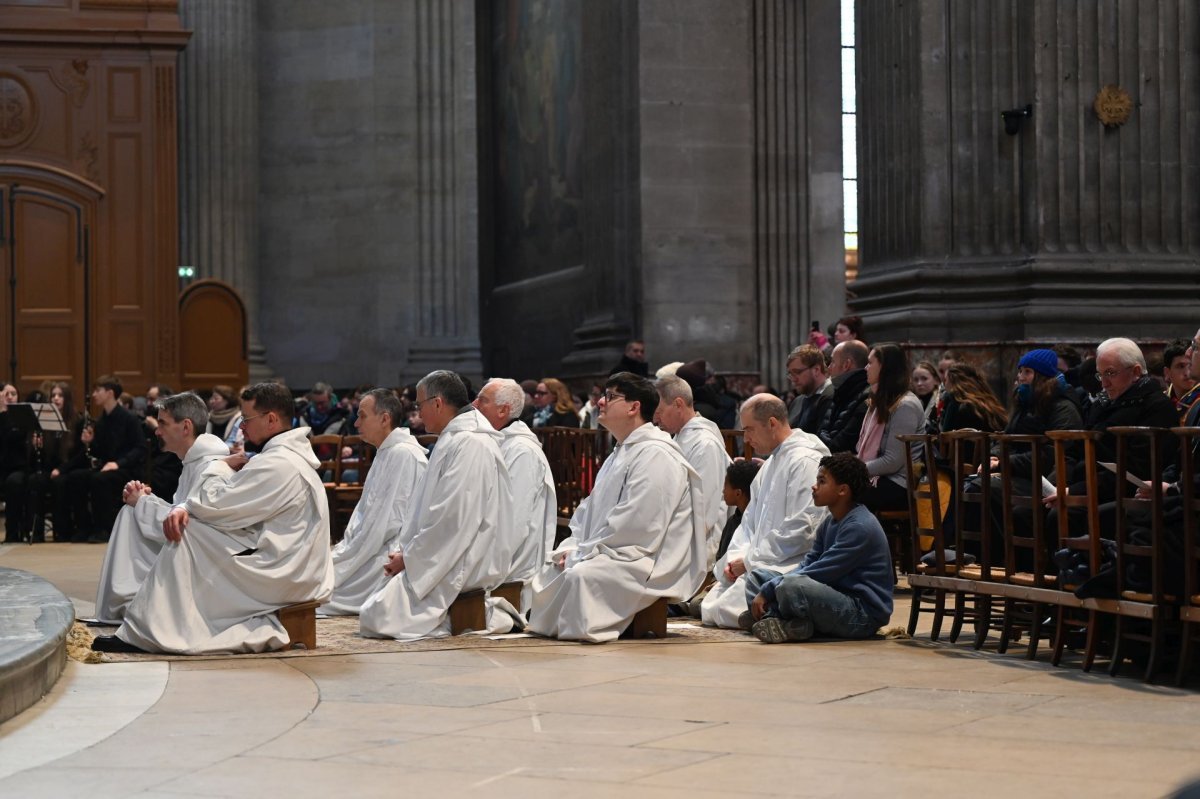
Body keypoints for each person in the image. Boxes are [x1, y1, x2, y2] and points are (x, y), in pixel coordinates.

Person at [94, 383, 335, 654]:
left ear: (271, 419)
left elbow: (211, 504)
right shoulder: (282, 458)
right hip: (287, 563)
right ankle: (160, 617)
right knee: (187, 524)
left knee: (186, 530)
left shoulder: (278, 464)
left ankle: (157, 629)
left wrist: (218, 467)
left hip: (283, 572)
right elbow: (222, 509)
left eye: (246, 419)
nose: (241, 427)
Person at [529, 372, 706, 642]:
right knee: (551, 566)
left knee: (580, 576)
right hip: (613, 549)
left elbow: (640, 523)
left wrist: (584, 553)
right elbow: (589, 510)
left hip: (643, 558)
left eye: (610, 397)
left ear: (634, 407)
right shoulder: (622, 451)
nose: (601, 402)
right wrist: (576, 546)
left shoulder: (656, 453)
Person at [359, 371, 514, 640]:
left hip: (462, 555)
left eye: (420, 405)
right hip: (442, 550)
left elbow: (453, 517)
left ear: (438, 403)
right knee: (375, 607)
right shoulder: (455, 437)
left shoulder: (470, 443)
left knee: (380, 616)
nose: (417, 414)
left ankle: (477, 613)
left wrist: (410, 558)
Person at [93, 393, 230, 623]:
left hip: (207, 569)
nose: (157, 430)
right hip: (190, 551)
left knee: (132, 511)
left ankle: (130, 600)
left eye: (163, 423)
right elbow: (183, 510)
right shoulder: (193, 462)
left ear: (185, 427)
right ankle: (127, 600)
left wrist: (144, 504)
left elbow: (194, 531)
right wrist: (149, 501)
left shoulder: (211, 469)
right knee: (130, 511)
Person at [701, 394, 830, 629]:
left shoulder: (806, 461)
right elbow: (749, 524)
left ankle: (786, 619)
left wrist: (750, 561)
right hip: (761, 559)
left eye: (749, 430)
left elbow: (805, 528)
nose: (747, 439)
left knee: (724, 608)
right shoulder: (770, 465)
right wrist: (736, 560)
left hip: (793, 561)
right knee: (711, 608)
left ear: (772, 423)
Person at [743, 453, 894, 643]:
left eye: (822, 481)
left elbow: (820, 572)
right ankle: (786, 624)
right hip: (834, 597)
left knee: (791, 586)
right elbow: (809, 563)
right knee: (756, 577)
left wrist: (770, 590)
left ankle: (778, 620)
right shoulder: (830, 521)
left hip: (861, 614)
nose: (814, 486)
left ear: (842, 490)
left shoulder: (860, 527)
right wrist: (770, 585)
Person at [321, 389, 428, 616]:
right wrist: (347, 547)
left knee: (321, 595)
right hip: (370, 541)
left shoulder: (404, 454)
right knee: (317, 577)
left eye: (362, 416)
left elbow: (389, 521)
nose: (356, 423)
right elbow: (368, 512)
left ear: (384, 419)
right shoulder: (386, 451)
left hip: (388, 549)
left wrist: (348, 553)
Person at [473, 378, 556, 629]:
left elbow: (515, 521)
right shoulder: (497, 442)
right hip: (493, 546)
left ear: (503, 411)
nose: (473, 405)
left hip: (513, 559)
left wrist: (480, 558)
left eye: (482, 400)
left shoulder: (521, 450)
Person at [655, 375, 732, 564]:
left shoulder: (705, 444)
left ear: (678, 404)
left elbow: (704, 509)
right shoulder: (678, 438)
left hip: (699, 542)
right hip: (676, 530)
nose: (655, 419)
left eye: (659, 411)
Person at [64, 375, 146, 543]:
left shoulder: (129, 418)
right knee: (75, 477)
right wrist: (89, 442)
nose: (94, 394)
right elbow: (100, 452)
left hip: (127, 469)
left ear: (109, 393)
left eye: (97, 390)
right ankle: (84, 527)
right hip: (107, 468)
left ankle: (104, 528)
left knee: (99, 480)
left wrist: (118, 463)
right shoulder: (101, 420)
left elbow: (140, 448)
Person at [857, 344, 925, 514]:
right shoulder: (880, 401)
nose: (866, 368)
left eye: (870, 363)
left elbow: (893, 461)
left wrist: (854, 469)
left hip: (898, 483)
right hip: (879, 477)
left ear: (884, 368)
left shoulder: (905, 405)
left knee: (840, 492)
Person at [818, 340, 871, 454]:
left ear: (846, 364)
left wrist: (822, 444)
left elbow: (844, 443)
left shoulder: (867, 397)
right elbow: (822, 430)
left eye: (832, 362)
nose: (829, 367)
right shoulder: (839, 389)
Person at [786, 345, 834, 434]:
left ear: (816, 370)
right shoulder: (797, 401)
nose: (793, 379)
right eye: (791, 374)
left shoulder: (832, 396)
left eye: (797, 372)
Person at [1163, 338, 1200, 423]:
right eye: (1181, 366)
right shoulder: (1159, 401)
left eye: (1191, 364)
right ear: (1167, 373)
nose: (1187, 373)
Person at [911, 360, 941, 429]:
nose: (919, 383)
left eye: (924, 379)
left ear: (936, 380)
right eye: (916, 380)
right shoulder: (913, 403)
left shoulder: (940, 401)